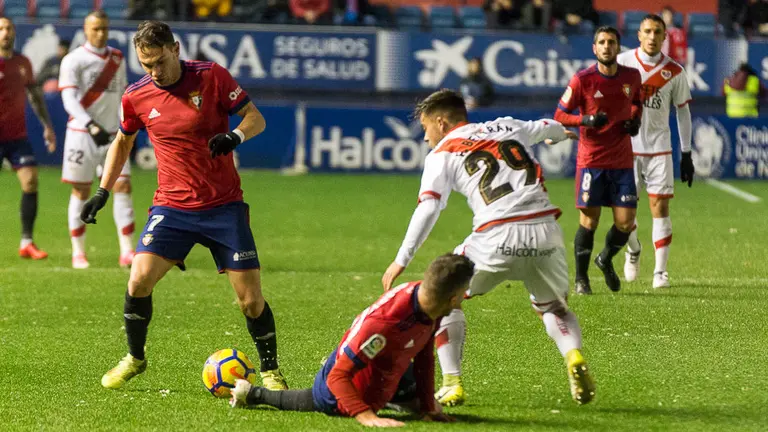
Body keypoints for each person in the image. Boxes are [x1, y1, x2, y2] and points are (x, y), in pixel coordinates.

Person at [80, 20, 287, 391]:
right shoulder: (137, 95)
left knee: (251, 301)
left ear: (175, 49)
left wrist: (234, 136)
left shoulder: (212, 76)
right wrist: (103, 191)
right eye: (146, 65)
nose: (155, 72)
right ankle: (135, 358)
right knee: (139, 279)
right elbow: (123, 143)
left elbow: (256, 118)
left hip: (223, 206)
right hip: (172, 208)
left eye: (160, 61)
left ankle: (270, 370)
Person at [381, 89, 595, 407]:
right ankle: (573, 355)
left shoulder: (441, 155)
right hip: (545, 231)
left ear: (441, 122)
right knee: (555, 308)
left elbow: (428, 208)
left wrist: (401, 260)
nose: (426, 137)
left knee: (444, 296)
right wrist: (562, 134)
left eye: (426, 128)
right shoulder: (507, 126)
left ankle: (452, 382)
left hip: (496, 238)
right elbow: (546, 125)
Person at [230, 253, 471, 427]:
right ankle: (255, 394)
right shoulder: (385, 323)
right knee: (319, 398)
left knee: (426, 404)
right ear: (452, 299)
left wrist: (428, 407)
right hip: (338, 386)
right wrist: (367, 416)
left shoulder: (427, 301)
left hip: (386, 365)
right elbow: (337, 376)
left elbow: (424, 354)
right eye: (463, 293)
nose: (465, 296)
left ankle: (253, 394)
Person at [554, 26, 643, 295]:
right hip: (591, 160)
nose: (607, 46)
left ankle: (604, 259)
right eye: (602, 42)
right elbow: (560, 114)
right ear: (595, 48)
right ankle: (581, 279)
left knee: (626, 223)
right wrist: (585, 120)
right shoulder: (582, 80)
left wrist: (635, 121)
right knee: (589, 222)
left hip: (622, 162)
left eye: (611, 42)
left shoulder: (632, 76)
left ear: (618, 47)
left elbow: (637, 101)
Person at [617, 14, 694, 289]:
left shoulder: (675, 71)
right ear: (639, 34)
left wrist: (686, 153)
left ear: (665, 37)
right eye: (647, 31)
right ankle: (634, 249)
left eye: (657, 32)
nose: (652, 36)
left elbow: (683, 112)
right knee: (623, 215)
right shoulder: (622, 62)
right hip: (626, 149)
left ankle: (660, 272)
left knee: (659, 208)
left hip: (660, 149)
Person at [58, 11, 135, 269]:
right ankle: (78, 252)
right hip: (82, 135)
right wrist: (90, 125)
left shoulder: (117, 57)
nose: (101, 33)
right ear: (86, 29)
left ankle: (127, 251)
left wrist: (126, 126)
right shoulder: (73, 60)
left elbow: (124, 93)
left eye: (104, 28)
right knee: (81, 190)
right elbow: (69, 99)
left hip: (114, 135)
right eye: (96, 29)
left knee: (123, 187)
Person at [0, 16, 57, 260]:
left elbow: (34, 95)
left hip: (16, 136)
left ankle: (26, 242)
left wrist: (47, 126)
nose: (5, 32)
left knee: (31, 181)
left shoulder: (23, 62)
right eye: (1, 28)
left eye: (9, 28)